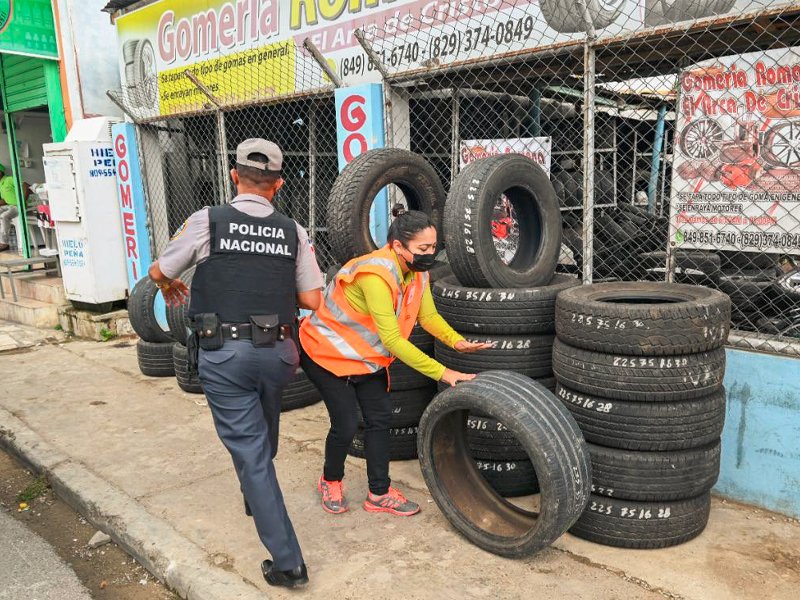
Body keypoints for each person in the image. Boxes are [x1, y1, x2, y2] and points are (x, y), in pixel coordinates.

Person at [148, 139, 322, 589]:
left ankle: (288, 563)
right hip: (279, 353)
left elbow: (160, 271)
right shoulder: (294, 230)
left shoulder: (208, 220)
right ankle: (255, 492)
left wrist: (167, 286)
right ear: (278, 184)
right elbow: (311, 299)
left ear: (233, 176)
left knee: (251, 450)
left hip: (225, 353)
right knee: (262, 435)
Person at [300, 206, 490, 517]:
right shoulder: (375, 275)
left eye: (433, 247)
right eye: (423, 248)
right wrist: (444, 372)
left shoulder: (417, 273)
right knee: (345, 424)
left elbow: (428, 316)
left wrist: (456, 341)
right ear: (398, 246)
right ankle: (330, 480)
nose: (430, 254)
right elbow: (392, 340)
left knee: (380, 420)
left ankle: (379, 493)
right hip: (326, 354)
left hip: (366, 360)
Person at [0, 162, 28, 252]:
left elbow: (25, 185)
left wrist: (22, 202)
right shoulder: (1, 184)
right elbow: (4, 200)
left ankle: (4, 243)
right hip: (9, 206)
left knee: (4, 216)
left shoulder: (9, 179)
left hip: (17, 206)